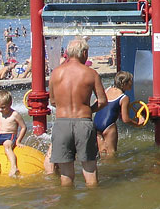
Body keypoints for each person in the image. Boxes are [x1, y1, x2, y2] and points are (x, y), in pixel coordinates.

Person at [48, 37, 107, 187]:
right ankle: (92, 205)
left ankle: (66, 206)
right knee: (90, 170)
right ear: (85, 53)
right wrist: (89, 110)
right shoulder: (91, 73)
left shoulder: (56, 73)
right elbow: (102, 101)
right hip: (83, 122)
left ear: (68, 53)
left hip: (62, 124)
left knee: (65, 173)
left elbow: (52, 101)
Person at [93, 71, 144, 157]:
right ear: (124, 83)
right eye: (130, 81)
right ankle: (113, 170)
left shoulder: (107, 90)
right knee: (111, 155)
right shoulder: (124, 98)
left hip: (96, 125)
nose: (132, 83)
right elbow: (125, 119)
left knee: (102, 154)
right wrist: (138, 124)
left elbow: (96, 102)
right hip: (109, 126)